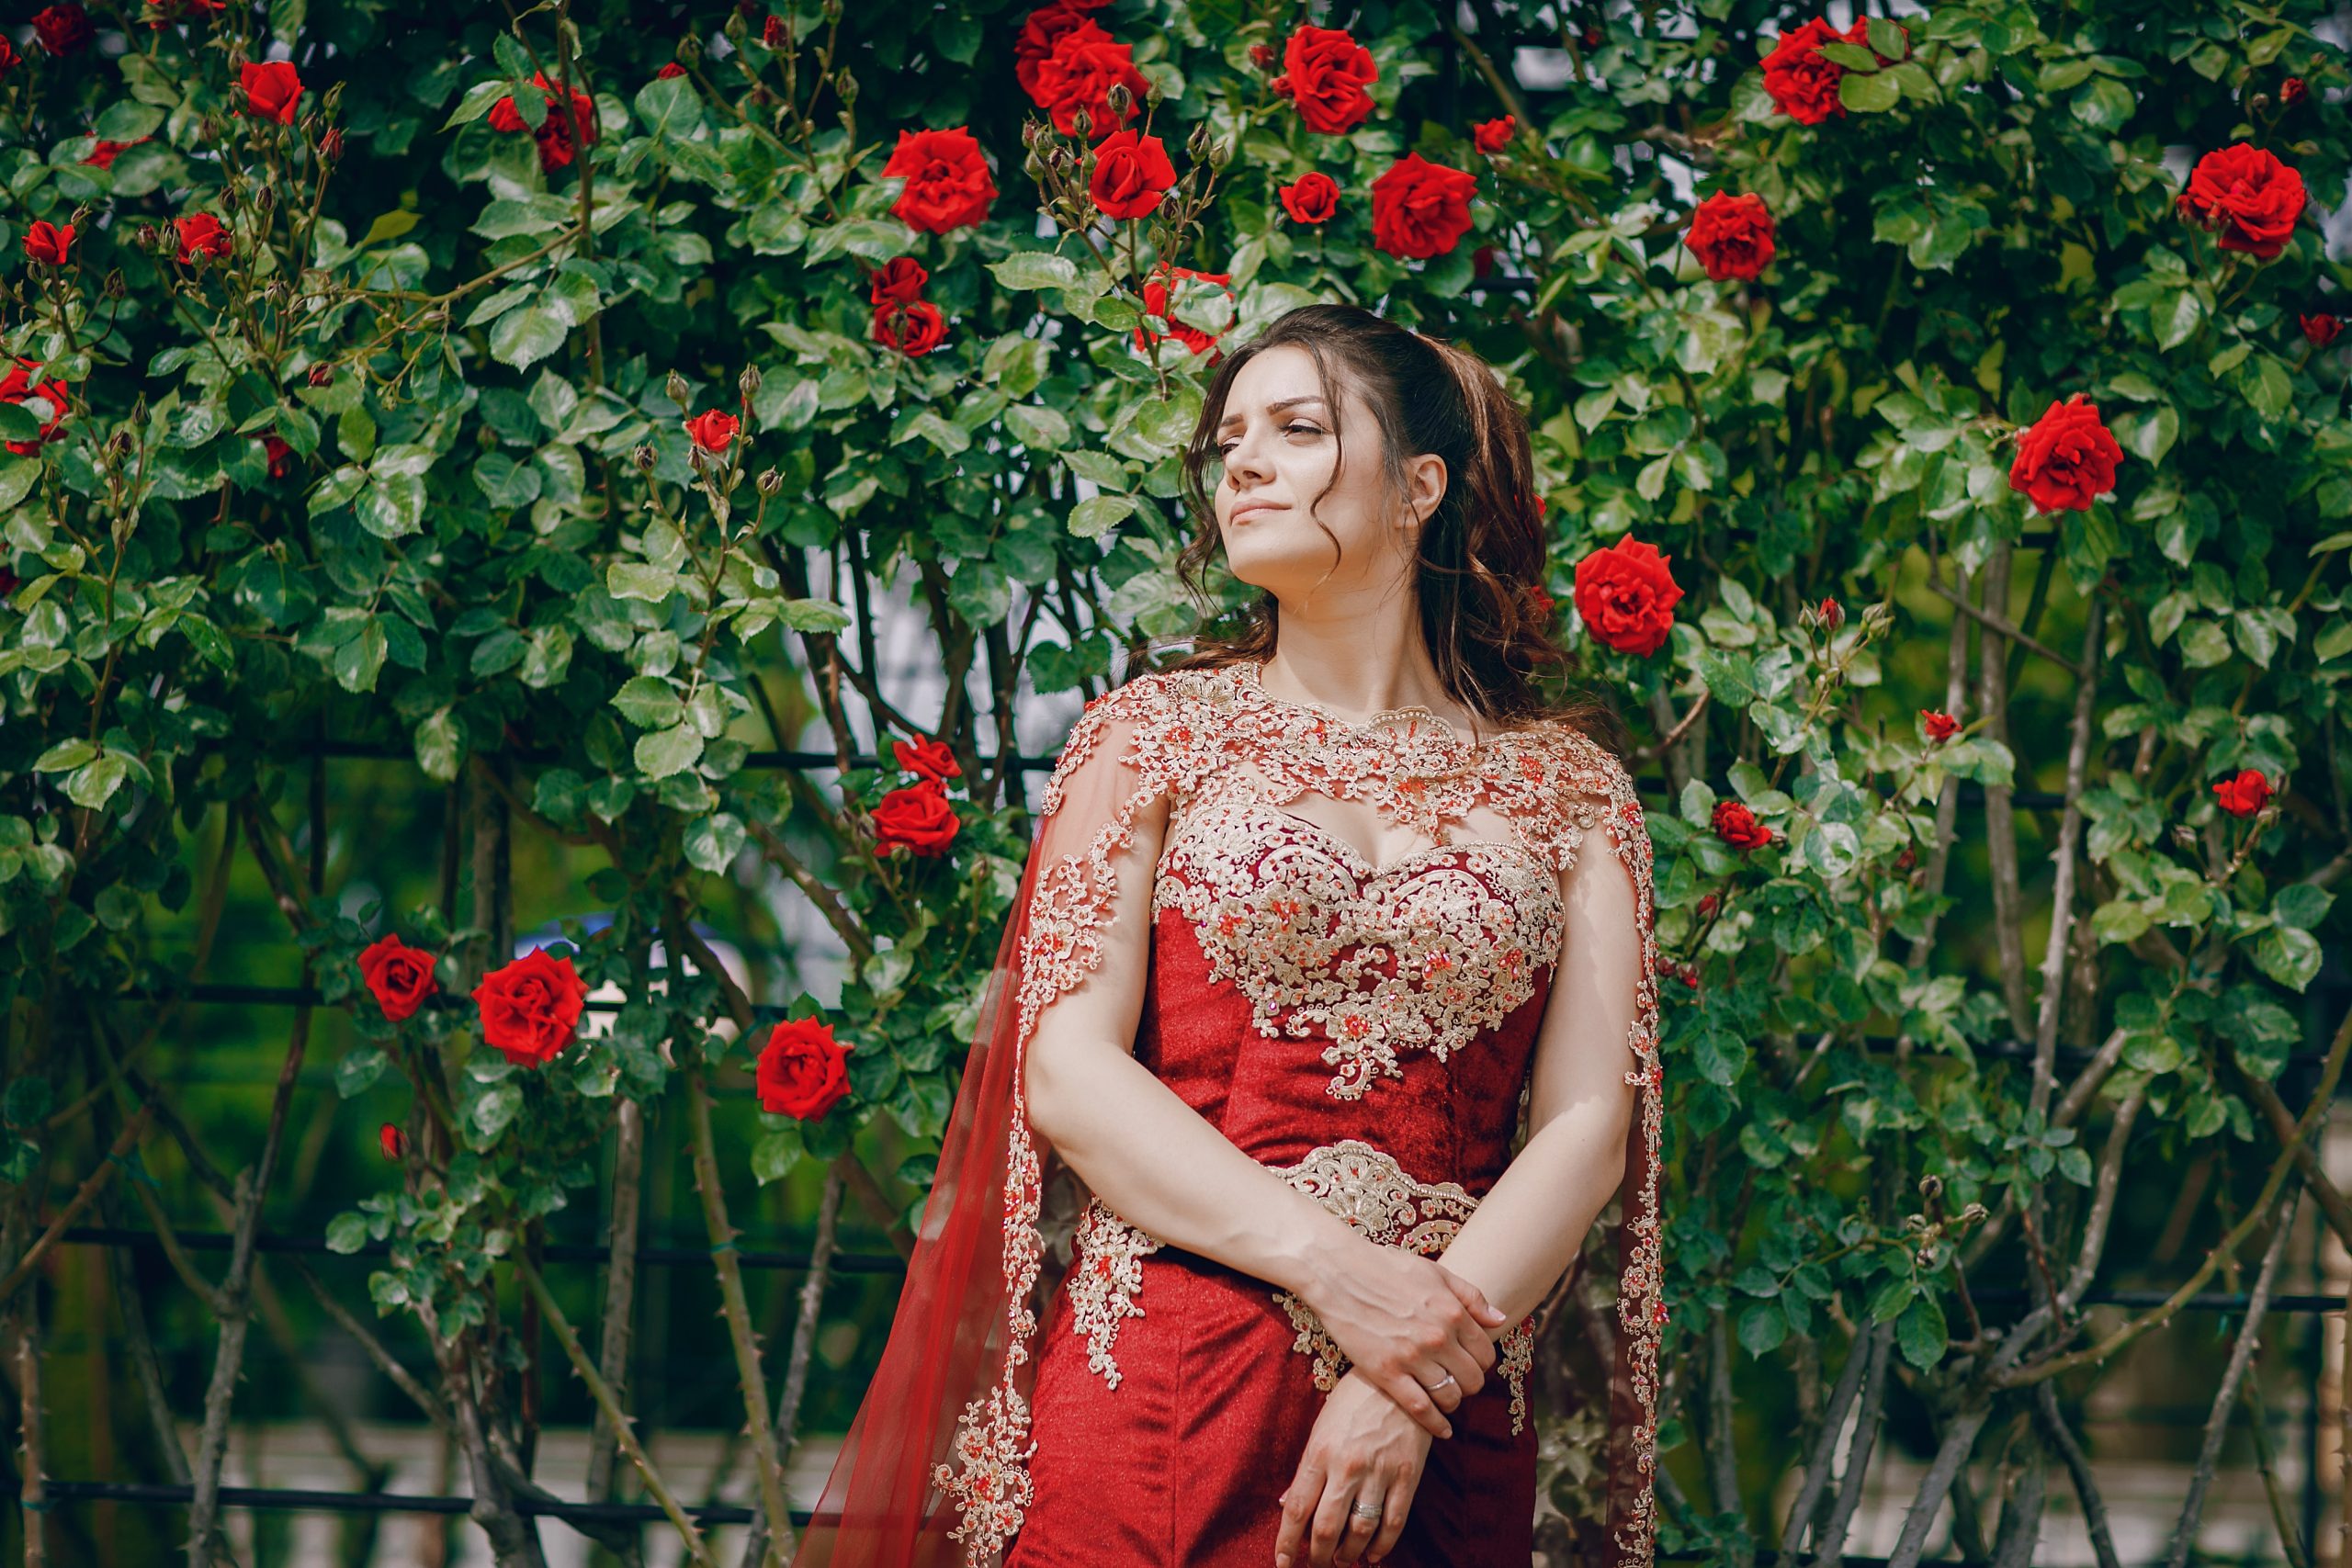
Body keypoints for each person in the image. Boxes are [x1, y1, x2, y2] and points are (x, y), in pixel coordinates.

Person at [792, 303, 1664, 1568]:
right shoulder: (1153, 738)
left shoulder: (1570, 791)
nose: (1244, 463)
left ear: (1422, 485)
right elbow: (1069, 1073)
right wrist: (1341, 1275)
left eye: (1298, 430)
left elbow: (1586, 1134)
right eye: (1232, 440)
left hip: (1443, 1409)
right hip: (1167, 1388)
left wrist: (1408, 1375)